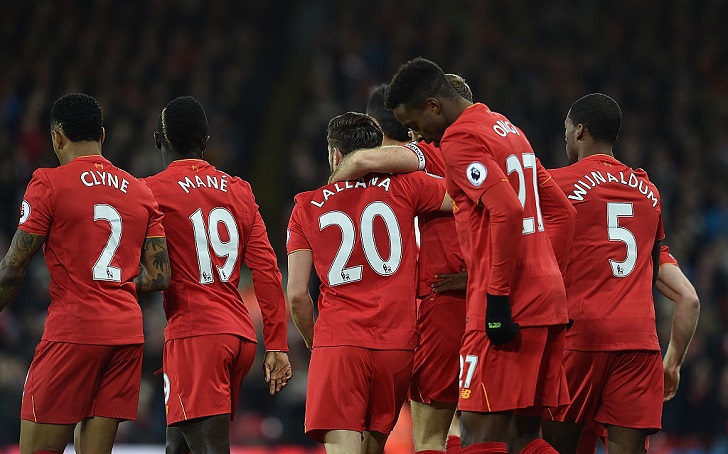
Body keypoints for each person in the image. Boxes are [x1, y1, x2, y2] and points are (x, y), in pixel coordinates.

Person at [384, 57, 575, 454]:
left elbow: (507, 210)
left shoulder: (459, 139)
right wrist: (543, 275)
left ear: (434, 106)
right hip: (546, 302)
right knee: (525, 437)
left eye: (417, 125)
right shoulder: (507, 128)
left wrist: (499, 295)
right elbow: (562, 213)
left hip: (503, 306)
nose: (422, 138)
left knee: (476, 434)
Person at [0, 93, 170, 454]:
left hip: (73, 332)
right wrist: (116, 286)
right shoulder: (140, 191)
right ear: (102, 136)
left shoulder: (48, 183)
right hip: (126, 336)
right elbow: (159, 277)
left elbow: (12, 270)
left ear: (57, 137)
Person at [286, 112, 452, 454]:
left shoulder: (306, 206)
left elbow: (298, 295)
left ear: (335, 155)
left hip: (340, 340)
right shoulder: (408, 186)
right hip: (397, 346)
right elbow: (471, 199)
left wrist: (316, 343)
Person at [330, 77, 473, 454]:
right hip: (473, 301)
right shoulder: (486, 155)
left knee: (412, 434)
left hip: (406, 315)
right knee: (470, 422)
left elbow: (363, 160)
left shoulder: (415, 162)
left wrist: (325, 195)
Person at [142, 96, 292, 454]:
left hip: (196, 335)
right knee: (178, 446)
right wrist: (276, 344)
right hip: (239, 336)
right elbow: (267, 271)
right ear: (206, 143)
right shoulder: (239, 190)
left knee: (209, 447)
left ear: (158, 141)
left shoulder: (150, 191)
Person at [539, 93, 677, 454]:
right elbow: (651, 268)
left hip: (581, 334)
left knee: (554, 448)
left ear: (580, 131)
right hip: (640, 340)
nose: (566, 138)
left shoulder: (556, 184)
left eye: (567, 129)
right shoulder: (649, 191)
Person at [575, 245, 700, 454]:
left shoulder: (577, 232)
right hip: (637, 350)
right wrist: (672, 365)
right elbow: (690, 299)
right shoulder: (646, 243)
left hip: (580, 345)